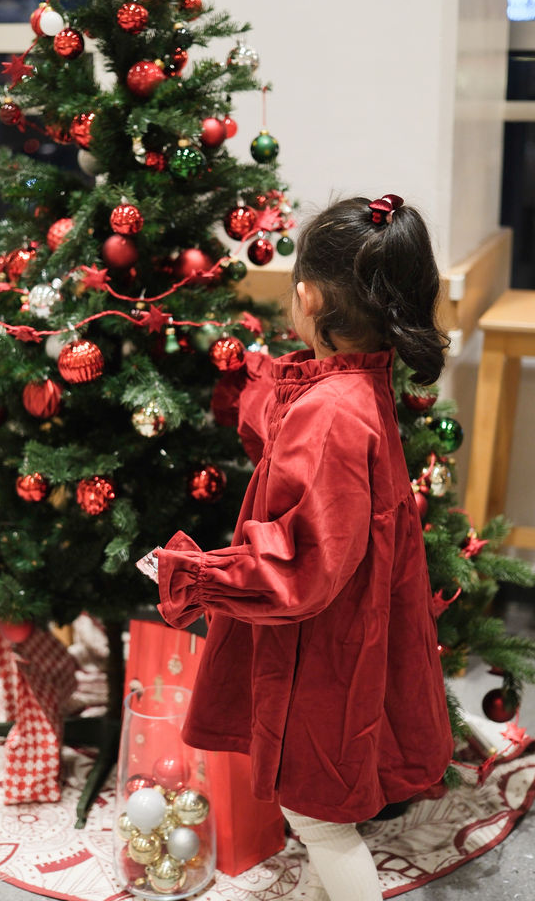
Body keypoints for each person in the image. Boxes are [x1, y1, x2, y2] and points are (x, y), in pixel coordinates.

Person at [150, 194, 453, 901]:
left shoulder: (331, 414)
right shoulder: (354, 387)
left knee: (316, 818)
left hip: (324, 654)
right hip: (344, 635)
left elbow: (301, 567)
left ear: (309, 296)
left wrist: (198, 576)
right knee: (316, 812)